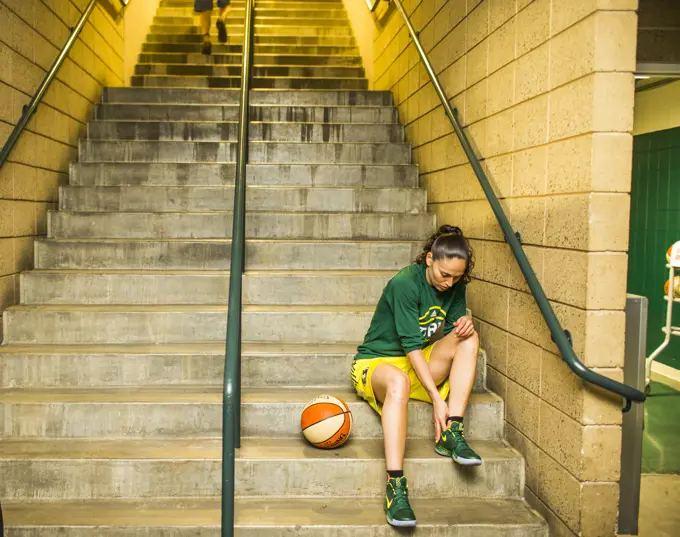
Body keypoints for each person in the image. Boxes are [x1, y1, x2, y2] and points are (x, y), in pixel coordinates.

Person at [350, 224, 482, 527]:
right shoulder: (404, 283)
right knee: (398, 381)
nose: (449, 283)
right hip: (376, 364)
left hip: (417, 363)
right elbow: (410, 346)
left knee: (470, 339)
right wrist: (437, 399)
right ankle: (395, 486)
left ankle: (452, 431)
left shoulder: (455, 284)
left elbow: (449, 333)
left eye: (457, 277)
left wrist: (463, 327)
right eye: (444, 274)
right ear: (429, 259)